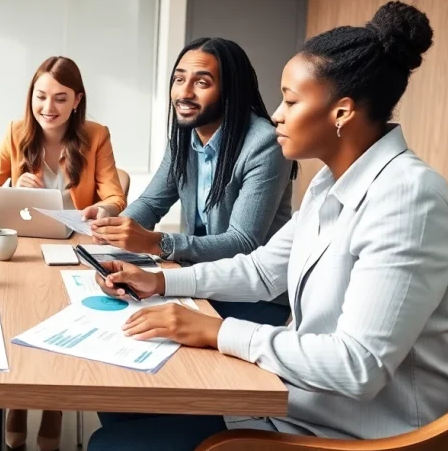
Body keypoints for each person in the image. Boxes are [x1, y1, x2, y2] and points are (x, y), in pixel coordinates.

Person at [86, 1, 448, 451]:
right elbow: (264, 270)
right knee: (123, 412)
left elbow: (358, 368)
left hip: (375, 442)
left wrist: (217, 331)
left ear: (341, 113)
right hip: (310, 405)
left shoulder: (408, 199)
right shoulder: (331, 185)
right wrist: (160, 280)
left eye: (290, 101)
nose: (275, 114)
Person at [0, 55, 127, 451]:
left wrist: (103, 209)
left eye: (60, 98)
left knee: (62, 319)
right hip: (22, 246)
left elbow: (115, 195)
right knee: (18, 311)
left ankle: (54, 405)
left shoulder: (96, 135)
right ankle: (19, 401)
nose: (48, 108)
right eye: (41, 96)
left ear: (77, 100)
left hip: (72, 248)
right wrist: (11, 188)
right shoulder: (16, 132)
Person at [87, 37, 295, 327]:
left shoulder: (264, 144)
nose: (183, 93)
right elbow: (151, 203)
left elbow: (242, 242)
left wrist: (157, 242)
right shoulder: (186, 136)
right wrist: (116, 236)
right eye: (179, 79)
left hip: (253, 296)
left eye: (201, 82)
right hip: (197, 279)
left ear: (230, 91)